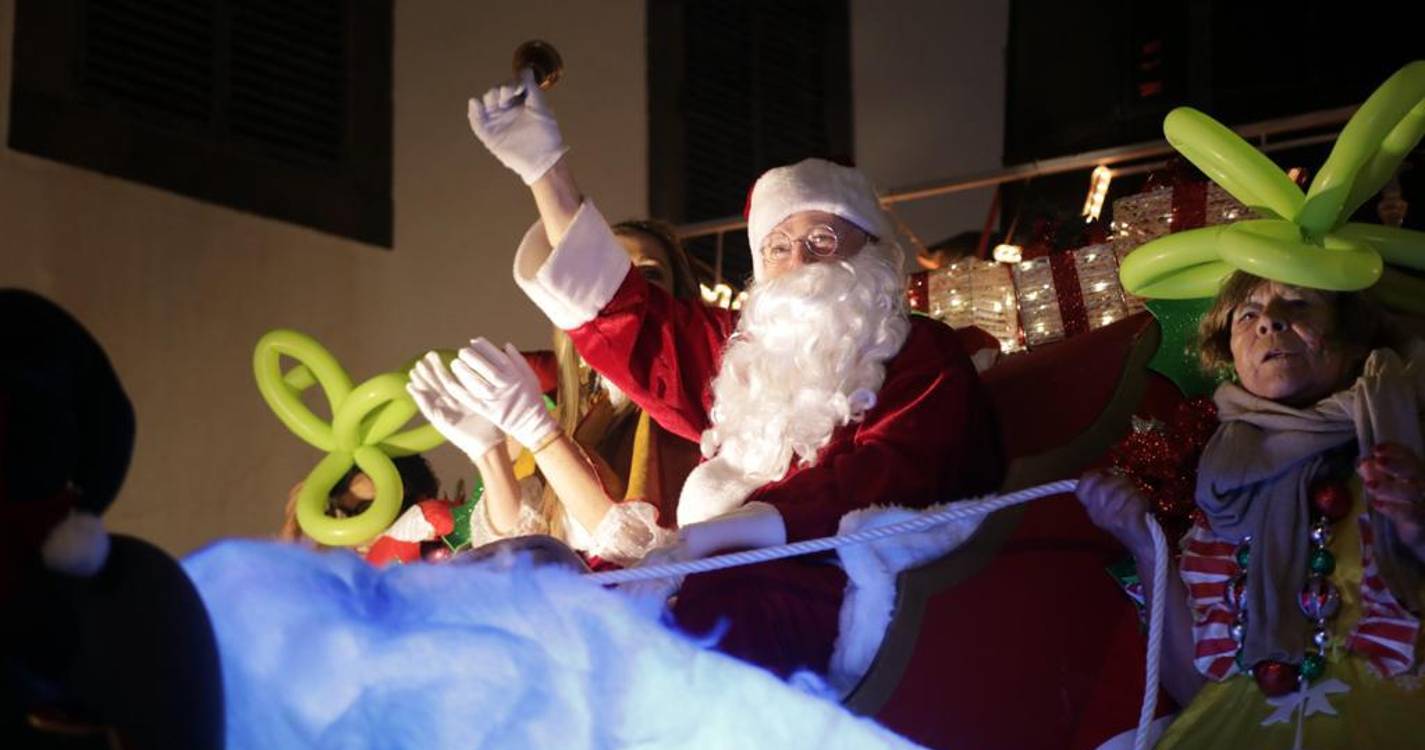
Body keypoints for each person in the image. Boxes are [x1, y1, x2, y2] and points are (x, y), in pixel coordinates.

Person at [460, 69, 1004, 680]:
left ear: (871, 253)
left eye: (822, 239)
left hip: (847, 578)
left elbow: (895, 472)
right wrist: (546, 173)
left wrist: (741, 530)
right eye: (776, 246)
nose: (798, 260)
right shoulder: (743, 350)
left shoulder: (920, 350)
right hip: (714, 565)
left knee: (716, 616)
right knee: (565, 611)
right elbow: (627, 319)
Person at [1076, 272, 1425, 747]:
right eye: (1248, 314)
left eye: (1299, 303)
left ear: (1354, 337)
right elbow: (1196, 688)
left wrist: (1416, 530)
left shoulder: (1404, 435)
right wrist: (1143, 540)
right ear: (1231, 355)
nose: (1270, 324)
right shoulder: (1219, 480)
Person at [407, 220, 704, 567]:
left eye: (649, 274)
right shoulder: (581, 412)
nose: (626, 289)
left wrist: (540, 434)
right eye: (607, 273)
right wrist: (488, 453)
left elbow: (634, 550)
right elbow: (516, 541)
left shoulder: (687, 406)